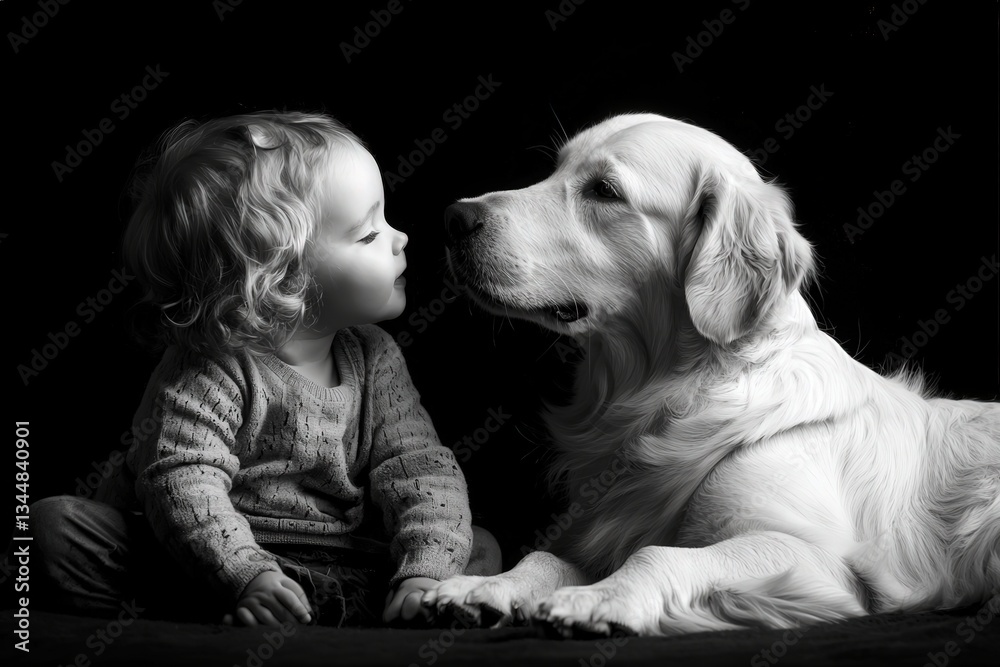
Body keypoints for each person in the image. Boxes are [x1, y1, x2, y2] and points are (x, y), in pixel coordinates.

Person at [23, 111, 500, 627]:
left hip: (347, 558)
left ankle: (363, 604)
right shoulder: (211, 365)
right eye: (367, 235)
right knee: (51, 529)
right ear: (279, 280)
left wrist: (423, 571)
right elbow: (181, 478)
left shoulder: (373, 356)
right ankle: (257, 606)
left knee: (477, 548)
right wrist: (245, 574)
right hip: (214, 554)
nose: (400, 237)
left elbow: (419, 466)